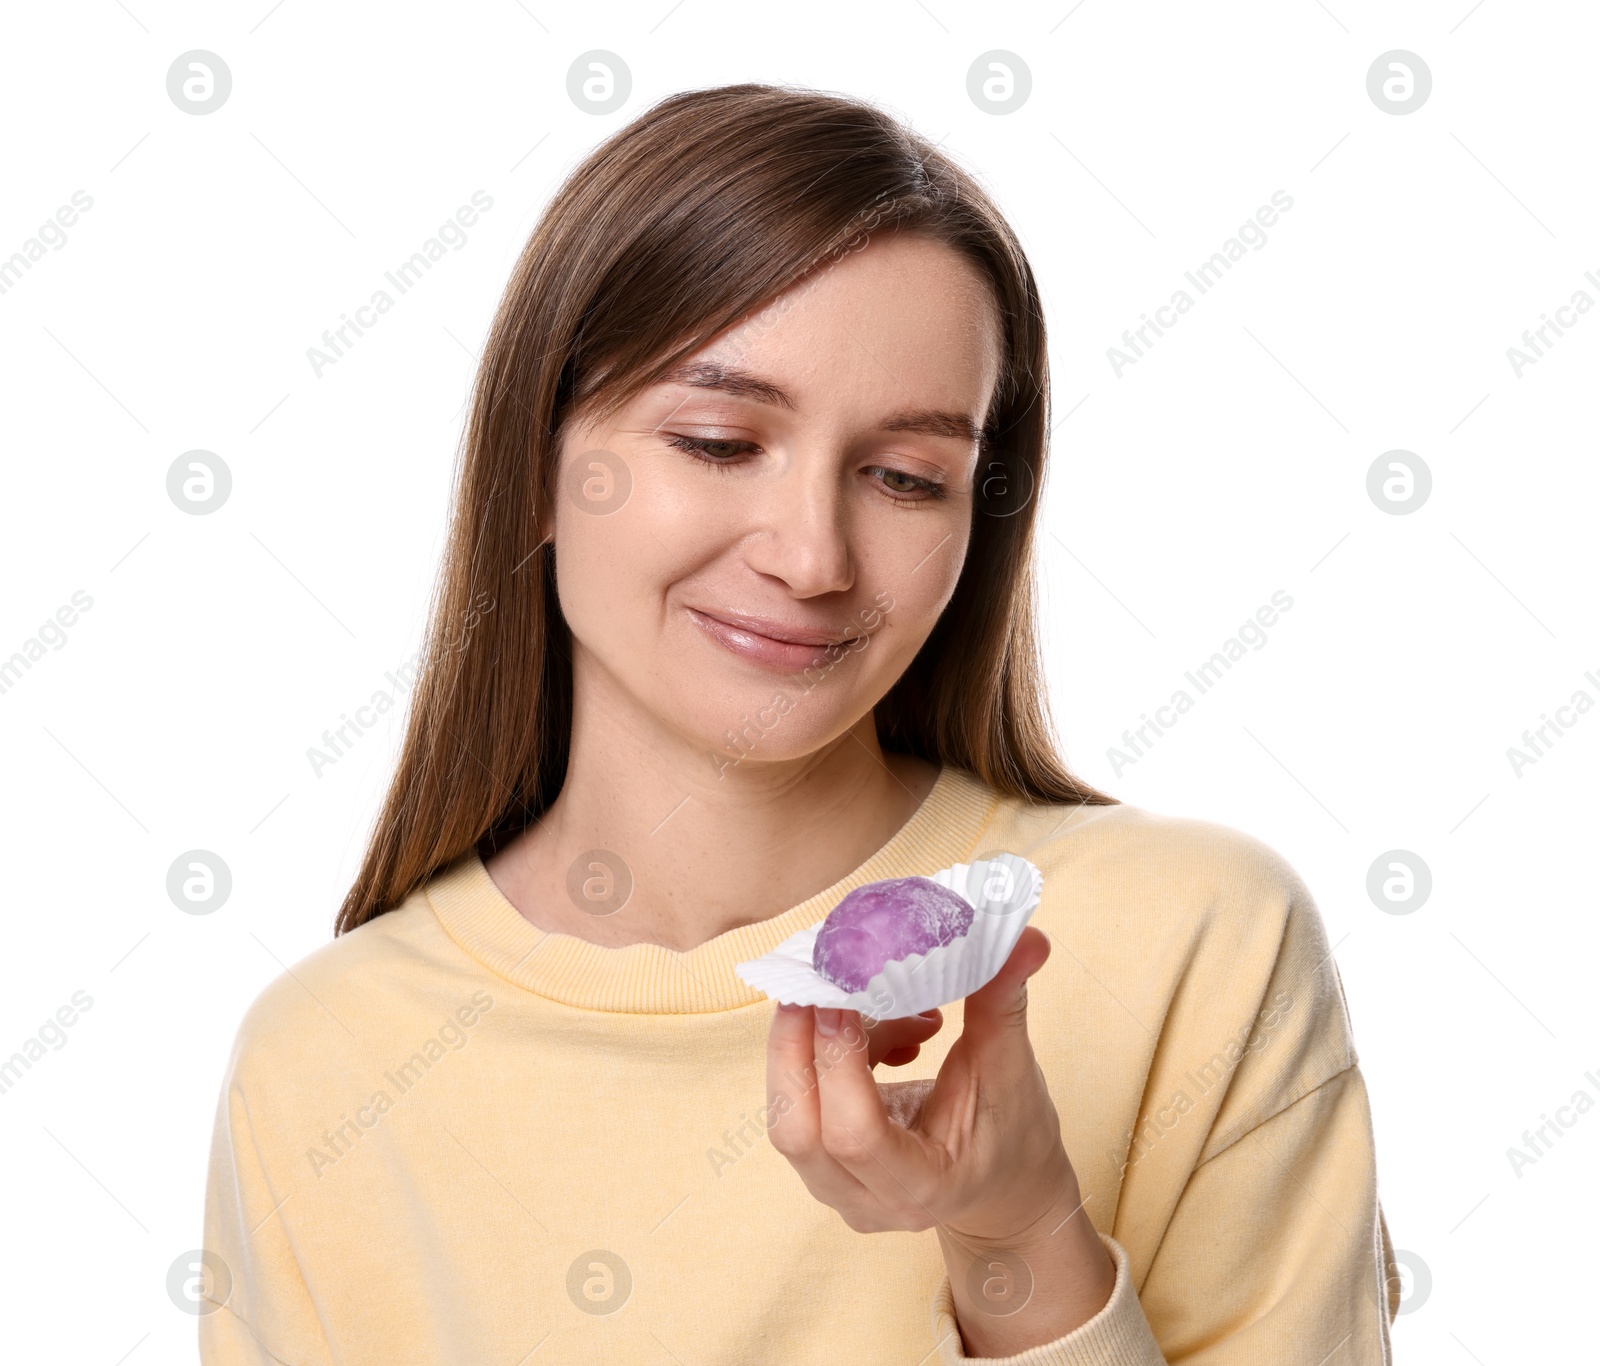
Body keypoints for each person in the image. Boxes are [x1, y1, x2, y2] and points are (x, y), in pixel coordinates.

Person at [201, 83, 1399, 1363]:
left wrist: (1019, 1230)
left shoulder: (1197, 944)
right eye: (719, 441)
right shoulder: (324, 1062)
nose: (812, 555)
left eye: (904, 477)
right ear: (538, 459)